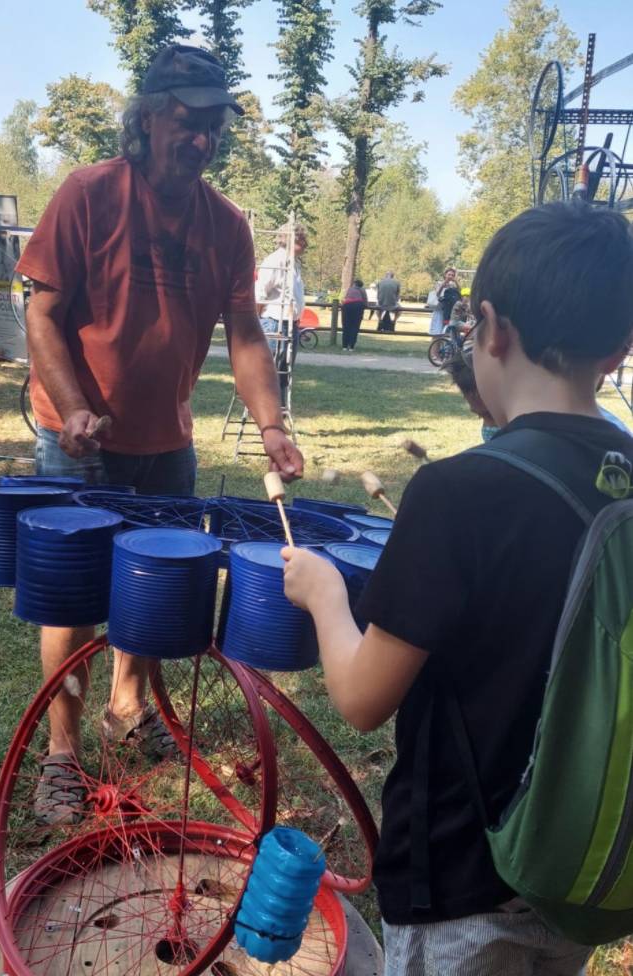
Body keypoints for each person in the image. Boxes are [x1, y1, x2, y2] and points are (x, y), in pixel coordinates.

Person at [280, 202, 633, 975]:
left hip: (461, 880)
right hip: (575, 865)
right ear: (618, 347)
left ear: (488, 327)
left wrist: (324, 594)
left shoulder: (458, 493)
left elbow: (364, 700)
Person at [15, 43, 304, 826]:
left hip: (166, 444)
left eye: (215, 126)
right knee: (72, 600)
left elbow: (245, 333)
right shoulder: (87, 196)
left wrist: (272, 425)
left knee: (152, 589)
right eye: (189, 121)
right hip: (78, 439)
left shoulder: (228, 225)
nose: (204, 140)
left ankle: (129, 712)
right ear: (146, 118)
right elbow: (40, 312)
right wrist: (73, 406)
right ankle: (62, 757)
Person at [255, 222, 307, 408]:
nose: (305, 243)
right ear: (290, 238)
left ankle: (281, 410)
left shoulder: (294, 264)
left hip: (291, 323)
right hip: (273, 322)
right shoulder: (274, 261)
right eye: (302, 239)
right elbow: (260, 293)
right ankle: (268, 411)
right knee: (272, 370)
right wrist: (258, 321)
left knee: (285, 371)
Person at [341, 278, 367, 351]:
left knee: (346, 326)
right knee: (355, 326)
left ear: (354, 284)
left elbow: (345, 298)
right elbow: (365, 300)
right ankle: (351, 346)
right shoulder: (362, 290)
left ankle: (344, 346)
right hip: (358, 306)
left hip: (347, 306)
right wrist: (364, 306)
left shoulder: (349, 289)